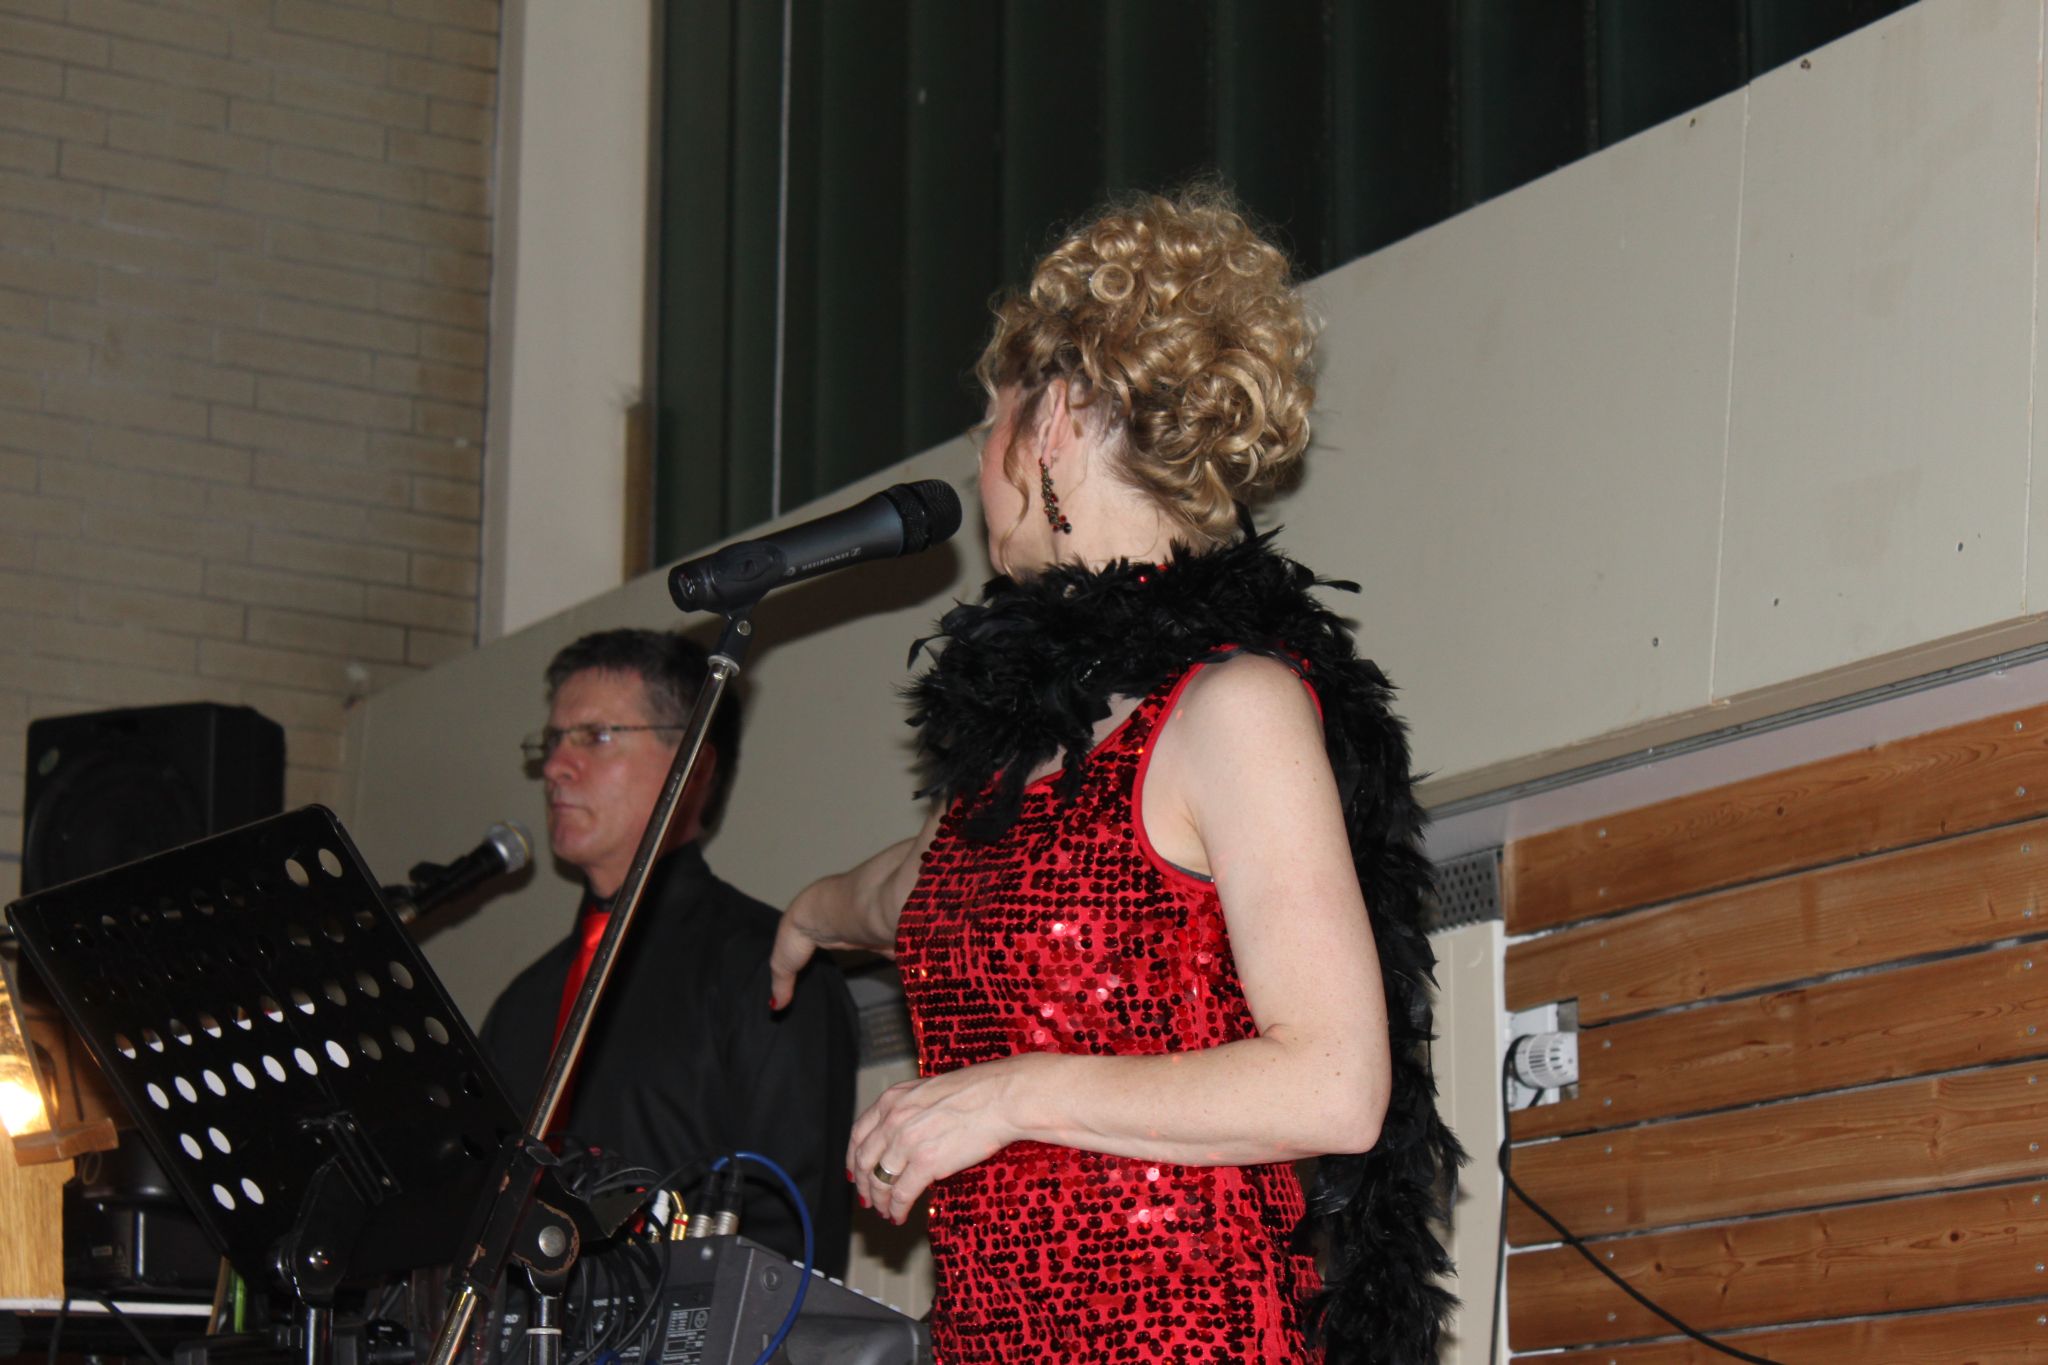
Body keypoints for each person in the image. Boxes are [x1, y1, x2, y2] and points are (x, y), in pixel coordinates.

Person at [768, 186, 1461, 1363]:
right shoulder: (1034, 742)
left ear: (1052, 420)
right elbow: (923, 889)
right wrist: (804, 917)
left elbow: (1334, 1085)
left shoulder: (1232, 709)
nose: (977, 469)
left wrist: (1008, 1093)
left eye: (986, 426)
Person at [479, 629, 858, 1275]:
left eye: (596, 736)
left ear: (695, 767)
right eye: (553, 740)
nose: (555, 767)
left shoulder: (771, 969)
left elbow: (791, 1253)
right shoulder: (523, 1004)